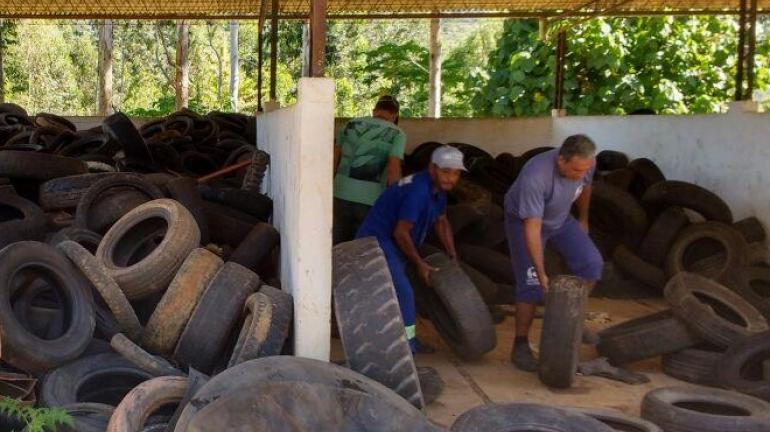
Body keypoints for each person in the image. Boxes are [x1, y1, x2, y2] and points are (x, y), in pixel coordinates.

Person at [504, 135, 604, 372]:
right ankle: (520, 345)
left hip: (561, 220)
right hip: (524, 222)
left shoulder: (587, 162)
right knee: (531, 286)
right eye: (576, 170)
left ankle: (570, 320)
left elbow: (586, 186)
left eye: (585, 169)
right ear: (561, 161)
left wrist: (583, 219)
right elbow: (532, 227)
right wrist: (541, 273)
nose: (581, 174)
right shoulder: (535, 176)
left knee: (592, 265)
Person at [356, 146, 464, 353]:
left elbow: (441, 222)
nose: (451, 178)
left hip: (395, 242)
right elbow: (401, 232)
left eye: (456, 173)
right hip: (378, 242)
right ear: (432, 168)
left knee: (405, 289)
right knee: (404, 291)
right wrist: (420, 263)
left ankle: (405, 339)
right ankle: (407, 347)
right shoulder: (418, 191)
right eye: (446, 171)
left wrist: (452, 255)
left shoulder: (438, 191)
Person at [333, 95, 406, 245]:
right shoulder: (398, 133)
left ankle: (333, 268)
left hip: (340, 193)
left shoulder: (350, 124)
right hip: (370, 200)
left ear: (374, 111)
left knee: (337, 241)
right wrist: (395, 200)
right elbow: (393, 168)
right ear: (394, 115)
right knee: (362, 246)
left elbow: (335, 156)